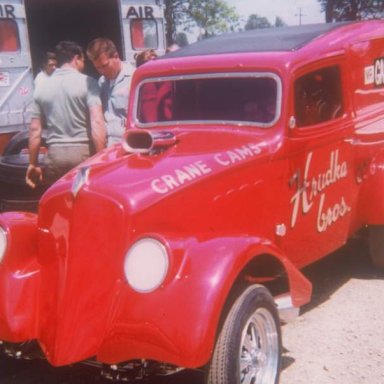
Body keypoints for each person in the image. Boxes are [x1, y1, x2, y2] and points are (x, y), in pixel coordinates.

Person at [26, 41, 106, 189]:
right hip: (83, 155)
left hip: (55, 156)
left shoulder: (41, 87)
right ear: (76, 59)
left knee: (59, 202)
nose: (84, 64)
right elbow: (97, 122)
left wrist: (32, 163)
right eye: (83, 60)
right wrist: (102, 158)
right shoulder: (88, 83)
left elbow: (35, 130)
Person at [86, 38, 135, 146]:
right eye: (97, 68)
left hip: (127, 146)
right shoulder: (101, 82)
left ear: (116, 56)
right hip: (106, 146)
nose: (102, 71)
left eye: (104, 65)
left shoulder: (134, 78)